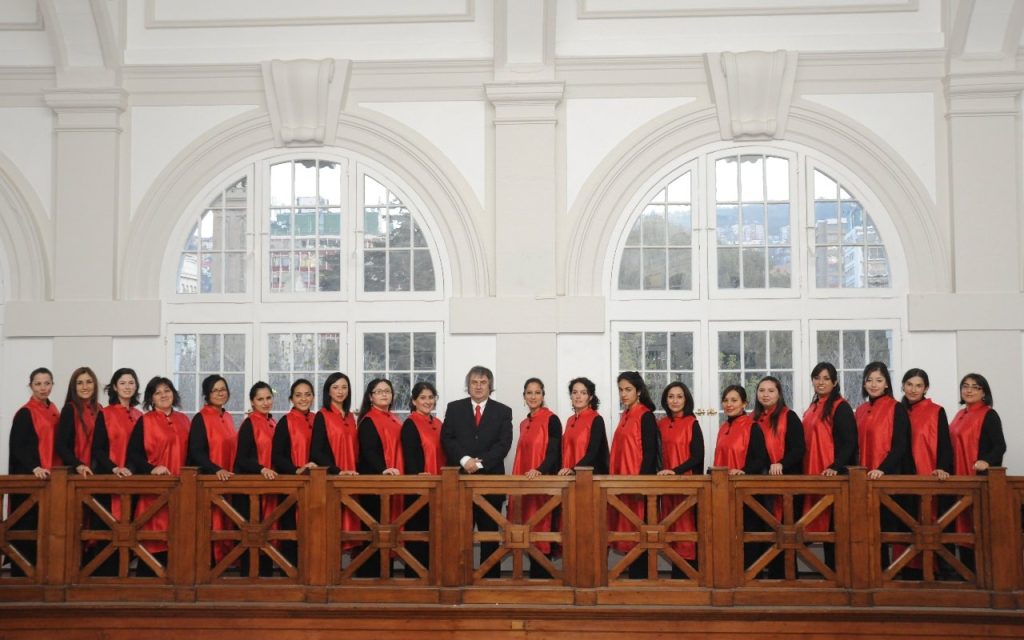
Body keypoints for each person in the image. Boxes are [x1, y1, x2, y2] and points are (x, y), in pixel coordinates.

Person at [440, 365, 513, 579]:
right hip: (459, 481)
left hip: (490, 482)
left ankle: (489, 579)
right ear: (468, 386)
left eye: (483, 382)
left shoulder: (503, 411)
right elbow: (447, 438)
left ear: (490, 386)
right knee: (458, 533)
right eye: (474, 382)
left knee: (490, 534)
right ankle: (458, 577)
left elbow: (503, 444)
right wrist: (464, 460)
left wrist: (479, 464)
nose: (478, 386)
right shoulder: (454, 408)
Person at [125, 376, 190, 577]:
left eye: (167, 390)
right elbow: (133, 454)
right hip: (155, 492)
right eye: (158, 392)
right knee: (153, 540)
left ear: (174, 393)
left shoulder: (184, 419)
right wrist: (151, 467)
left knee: (180, 540)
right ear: (151, 398)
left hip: (182, 490)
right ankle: (148, 592)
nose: (164, 395)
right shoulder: (145, 421)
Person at [801, 362, 858, 572]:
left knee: (833, 529)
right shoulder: (812, 407)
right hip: (811, 473)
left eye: (826, 378)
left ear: (835, 382)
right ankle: (827, 576)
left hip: (831, 476)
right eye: (817, 378)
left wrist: (836, 466)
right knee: (814, 527)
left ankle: (838, 576)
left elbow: (849, 442)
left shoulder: (840, 406)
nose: (821, 382)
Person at [948, 373, 1006, 572]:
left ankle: (983, 575)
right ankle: (966, 575)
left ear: (984, 392)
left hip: (977, 479)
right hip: (958, 478)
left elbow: (999, 446)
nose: (969, 390)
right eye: (965, 386)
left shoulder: (989, 414)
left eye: (975, 387)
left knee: (978, 524)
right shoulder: (959, 415)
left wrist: (986, 461)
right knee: (961, 523)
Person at [89, 367, 144, 576]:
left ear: (136, 386)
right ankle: (105, 577)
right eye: (122, 383)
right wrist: (115, 468)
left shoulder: (141, 416)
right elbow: (98, 449)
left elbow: (141, 450)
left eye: (131, 382)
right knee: (107, 529)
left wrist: (131, 469)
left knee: (131, 528)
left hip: (134, 479)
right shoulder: (106, 414)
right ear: (114, 387)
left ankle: (125, 577)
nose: (127, 387)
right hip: (109, 479)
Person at [898, 368, 953, 580]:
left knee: (929, 524)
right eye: (909, 384)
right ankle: (907, 570)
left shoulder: (936, 411)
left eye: (918, 385)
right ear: (903, 386)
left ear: (926, 388)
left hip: (927, 473)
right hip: (903, 477)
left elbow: (945, 445)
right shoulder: (897, 410)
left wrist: (942, 467)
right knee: (905, 525)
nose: (913, 389)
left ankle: (935, 573)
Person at [6, 367, 60, 576]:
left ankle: (42, 573)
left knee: (47, 528)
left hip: (51, 478)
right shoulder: (25, 412)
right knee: (27, 527)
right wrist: (34, 467)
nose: (43, 388)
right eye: (38, 384)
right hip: (31, 479)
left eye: (47, 383)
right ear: (30, 386)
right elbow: (18, 447)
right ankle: (23, 574)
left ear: (52, 385)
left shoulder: (54, 409)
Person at [608, 371, 660, 579]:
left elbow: (650, 453)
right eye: (621, 390)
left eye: (628, 389)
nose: (623, 394)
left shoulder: (645, 415)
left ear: (638, 391)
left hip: (637, 483)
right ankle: (634, 578)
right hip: (623, 483)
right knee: (628, 529)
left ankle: (642, 581)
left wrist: (642, 485)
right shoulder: (625, 416)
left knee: (640, 530)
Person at [751, 376, 804, 579]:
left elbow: (799, 448)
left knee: (784, 533)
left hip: (785, 480)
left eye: (771, 390)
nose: (765, 394)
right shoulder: (753, 419)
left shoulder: (789, 416)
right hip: (760, 482)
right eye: (762, 390)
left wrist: (781, 463)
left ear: (779, 393)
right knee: (765, 532)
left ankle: (788, 579)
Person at [510, 378, 562, 578]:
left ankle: (544, 579)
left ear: (543, 395)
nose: (533, 396)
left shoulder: (552, 419)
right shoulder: (523, 423)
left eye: (537, 392)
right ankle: (534, 578)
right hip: (524, 483)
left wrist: (540, 470)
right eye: (529, 393)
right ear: (524, 396)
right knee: (526, 528)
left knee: (542, 528)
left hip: (542, 484)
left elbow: (554, 452)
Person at [715, 384, 770, 574]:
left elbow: (761, 458)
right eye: (726, 400)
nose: (729, 404)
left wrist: (743, 471)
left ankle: (751, 576)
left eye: (734, 400)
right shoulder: (723, 428)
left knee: (748, 532)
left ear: (744, 403)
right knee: (727, 533)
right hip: (724, 490)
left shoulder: (752, 426)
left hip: (747, 492)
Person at [355, 377, 404, 577]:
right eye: (379, 391)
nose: (384, 394)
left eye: (388, 391)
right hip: (374, 484)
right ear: (370, 397)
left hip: (391, 483)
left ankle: (386, 574)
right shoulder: (369, 420)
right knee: (375, 530)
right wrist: (382, 469)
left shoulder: (393, 418)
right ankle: (370, 577)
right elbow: (369, 451)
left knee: (388, 528)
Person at [308, 373, 361, 559]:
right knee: (332, 527)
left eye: (344, 387)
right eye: (336, 387)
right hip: (333, 479)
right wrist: (338, 471)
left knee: (352, 526)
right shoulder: (322, 416)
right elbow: (316, 452)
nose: (340, 391)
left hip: (352, 479)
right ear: (328, 391)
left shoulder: (350, 417)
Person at [188, 374, 238, 566]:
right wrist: (215, 469)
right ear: (207, 394)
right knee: (211, 524)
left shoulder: (228, 416)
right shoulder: (201, 418)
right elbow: (196, 452)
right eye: (215, 390)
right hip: (211, 481)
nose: (220, 393)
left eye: (223, 389)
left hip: (228, 480)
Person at [270, 378, 318, 569]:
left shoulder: (318, 419)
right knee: (292, 529)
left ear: (313, 397)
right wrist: (295, 469)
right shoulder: (285, 421)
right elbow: (277, 456)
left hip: (317, 483)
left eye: (307, 394)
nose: (303, 399)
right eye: (298, 395)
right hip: (293, 484)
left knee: (315, 528)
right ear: (291, 398)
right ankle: (290, 573)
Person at [656, 381, 703, 576]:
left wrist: (676, 471)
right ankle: (677, 576)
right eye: (671, 396)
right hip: (666, 486)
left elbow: (697, 456)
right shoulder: (661, 424)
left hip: (686, 485)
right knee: (669, 527)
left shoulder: (692, 423)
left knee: (686, 529)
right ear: (665, 400)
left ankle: (691, 577)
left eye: (679, 396)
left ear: (686, 399)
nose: (675, 400)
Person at [399, 380, 444, 578]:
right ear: (414, 401)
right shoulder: (410, 423)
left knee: (435, 532)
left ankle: (434, 574)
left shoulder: (438, 423)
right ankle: (415, 577)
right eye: (423, 398)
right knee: (418, 532)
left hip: (440, 486)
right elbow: (410, 457)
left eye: (431, 397)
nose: (427, 401)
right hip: (420, 488)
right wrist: (419, 477)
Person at [233, 381, 278, 577]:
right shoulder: (249, 424)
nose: (265, 402)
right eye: (260, 399)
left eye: (268, 398)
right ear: (252, 402)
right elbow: (242, 459)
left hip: (270, 486)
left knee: (267, 532)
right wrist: (261, 469)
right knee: (252, 533)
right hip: (251, 487)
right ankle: (249, 578)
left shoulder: (273, 422)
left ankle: (266, 576)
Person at [55, 366, 101, 477]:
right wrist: (78, 465)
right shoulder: (69, 409)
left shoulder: (100, 409)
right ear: (73, 387)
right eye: (79, 383)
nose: (85, 387)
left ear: (94, 385)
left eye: (89, 382)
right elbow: (60, 445)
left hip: (98, 472)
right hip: (77, 473)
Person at [558, 377, 609, 476]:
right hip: (567, 476)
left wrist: (574, 470)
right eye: (575, 392)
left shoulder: (596, 419)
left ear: (590, 397)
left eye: (583, 393)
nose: (578, 396)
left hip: (589, 477)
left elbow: (593, 453)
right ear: (571, 396)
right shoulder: (570, 420)